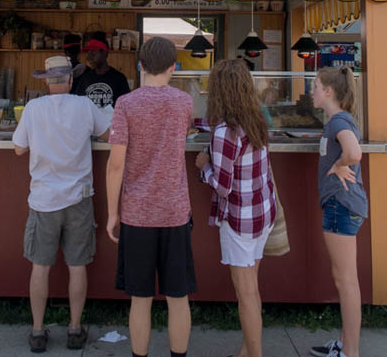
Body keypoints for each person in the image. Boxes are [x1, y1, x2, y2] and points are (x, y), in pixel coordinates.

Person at [12, 55, 110, 352]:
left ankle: (39, 332)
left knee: (40, 267)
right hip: (79, 198)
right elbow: (106, 134)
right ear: (70, 80)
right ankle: (75, 329)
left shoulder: (33, 109)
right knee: (77, 266)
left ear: (46, 81)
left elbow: (18, 149)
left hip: (43, 200)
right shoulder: (85, 106)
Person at [105, 36, 195, 357]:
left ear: (140, 65)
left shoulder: (125, 104)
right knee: (178, 297)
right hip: (175, 212)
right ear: (174, 66)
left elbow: (116, 165)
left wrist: (112, 213)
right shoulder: (185, 102)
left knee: (140, 300)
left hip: (137, 213)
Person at [194, 59, 276, 357]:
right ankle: (246, 349)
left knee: (246, 293)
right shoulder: (257, 119)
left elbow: (222, 186)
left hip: (240, 219)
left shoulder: (224, 133)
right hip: (262, 213)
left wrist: (204, 167)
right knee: (252, 288)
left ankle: (255, 354)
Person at [309, 67, 367, 357]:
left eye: (316, 86)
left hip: (340, 205)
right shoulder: (337, 120)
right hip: (343, 205)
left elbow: (354, 153)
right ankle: (344, 344)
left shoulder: (338, 122)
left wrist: (342, 163)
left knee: (346, 281)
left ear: (329, 91)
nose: (313, 91)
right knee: (344, 278)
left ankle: (350, 352)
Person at [72, 38, 130, 109]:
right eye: (88, 54)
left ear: (105, 53)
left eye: (93, 54)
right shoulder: (85, 78)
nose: (88, 58)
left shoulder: (119, 78)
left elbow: (126, 106)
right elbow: (79, 103)